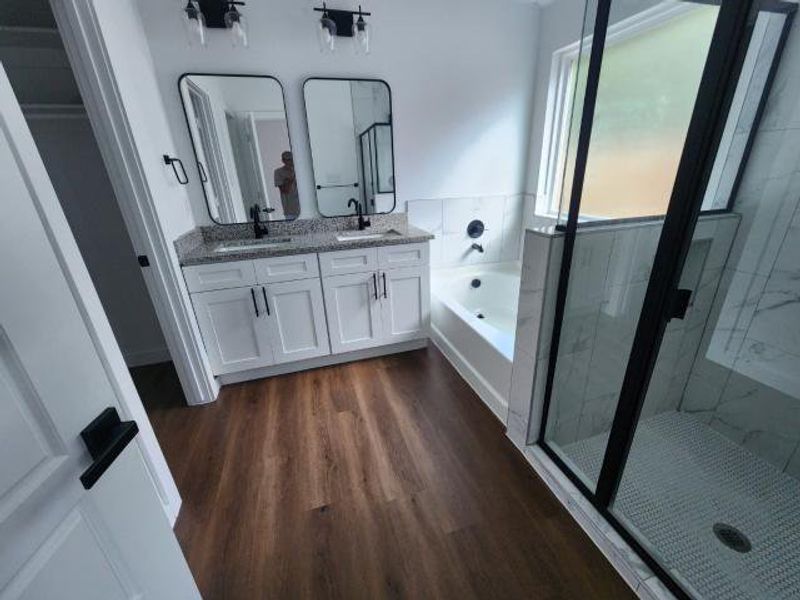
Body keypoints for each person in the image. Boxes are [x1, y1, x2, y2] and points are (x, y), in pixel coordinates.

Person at [274, 151, 300, 218]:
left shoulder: (300, 170)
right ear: (283, 160)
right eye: (288, 160)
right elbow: (284, 190)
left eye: (291, 159)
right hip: (290, 211)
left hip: (305, 209)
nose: (290, 162)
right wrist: (290, 178)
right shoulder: (278, 172)